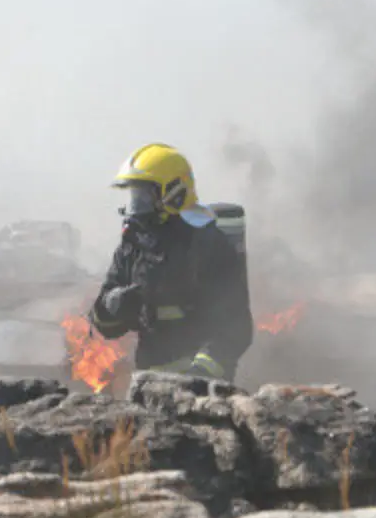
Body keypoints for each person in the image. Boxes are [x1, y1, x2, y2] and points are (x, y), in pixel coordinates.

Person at [87, 143, 253, 382]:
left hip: (202, 385)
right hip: (148, 379)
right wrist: (115, 304)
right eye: (135, 196)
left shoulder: (207, 243)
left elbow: (236, 327)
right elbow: (103, 323)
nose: (137, 206)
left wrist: (201, 375)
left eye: (144, 196)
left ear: (174, 193)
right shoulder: (134, 243)